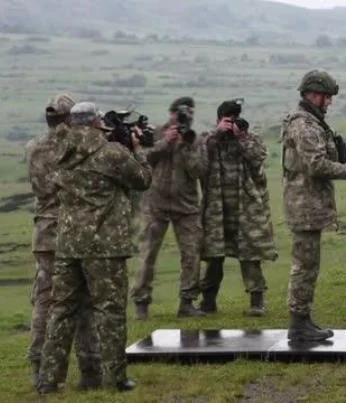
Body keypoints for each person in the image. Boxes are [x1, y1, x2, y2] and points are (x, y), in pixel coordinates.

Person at [37, 102, 152, 394]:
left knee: (61, 310)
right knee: (109, 311)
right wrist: (137, 149)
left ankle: (49, 379)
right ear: (95, 122)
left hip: (68, 244)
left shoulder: (59, 151)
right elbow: (143, 180)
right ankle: (116, 378)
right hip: (104, 246)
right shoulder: (111, 153)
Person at [281, 70, 346, 341]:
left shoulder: (313, 122)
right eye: (326, 97)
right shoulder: (304, 125)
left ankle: (302, 320)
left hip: (309, 205)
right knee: (304, 266)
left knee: (308, 265)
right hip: (304, 206)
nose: (330, 102)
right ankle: (298, 324)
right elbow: (316, 165)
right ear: (313, 95)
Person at [25, 94, 101, 389]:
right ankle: (90, 370)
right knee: (83, 300)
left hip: (45, 234)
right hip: (74, 232)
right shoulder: (76, 146)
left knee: (45, 302)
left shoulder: (33, 147)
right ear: (70, 119)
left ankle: (40, 368)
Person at [198, 99, 278, 316]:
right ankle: (208, 302)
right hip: (217, 210)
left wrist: (241, 138)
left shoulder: (249, 138)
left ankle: (257, 303)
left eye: (235, 119)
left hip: (246, 209)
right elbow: (196, 159)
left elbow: (258, 156)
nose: (231, 124)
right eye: (228, 120)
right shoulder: (209, 139)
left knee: (250, 255)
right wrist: (216, 134)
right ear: (218, 120)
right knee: (214, 256)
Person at [130, 96, 206, 319]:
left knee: (191, 254)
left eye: (190, 113)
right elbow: (141, 158)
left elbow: (199, 171)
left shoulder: (195, 139)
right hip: (156, 204)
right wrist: (165, 142)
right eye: (182, 113)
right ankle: (141, 302)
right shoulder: (154, 133)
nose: (186, 117)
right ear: (172, 114)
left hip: (186, 205)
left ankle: (187, 302)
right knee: (147, 254)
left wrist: (185, 147)